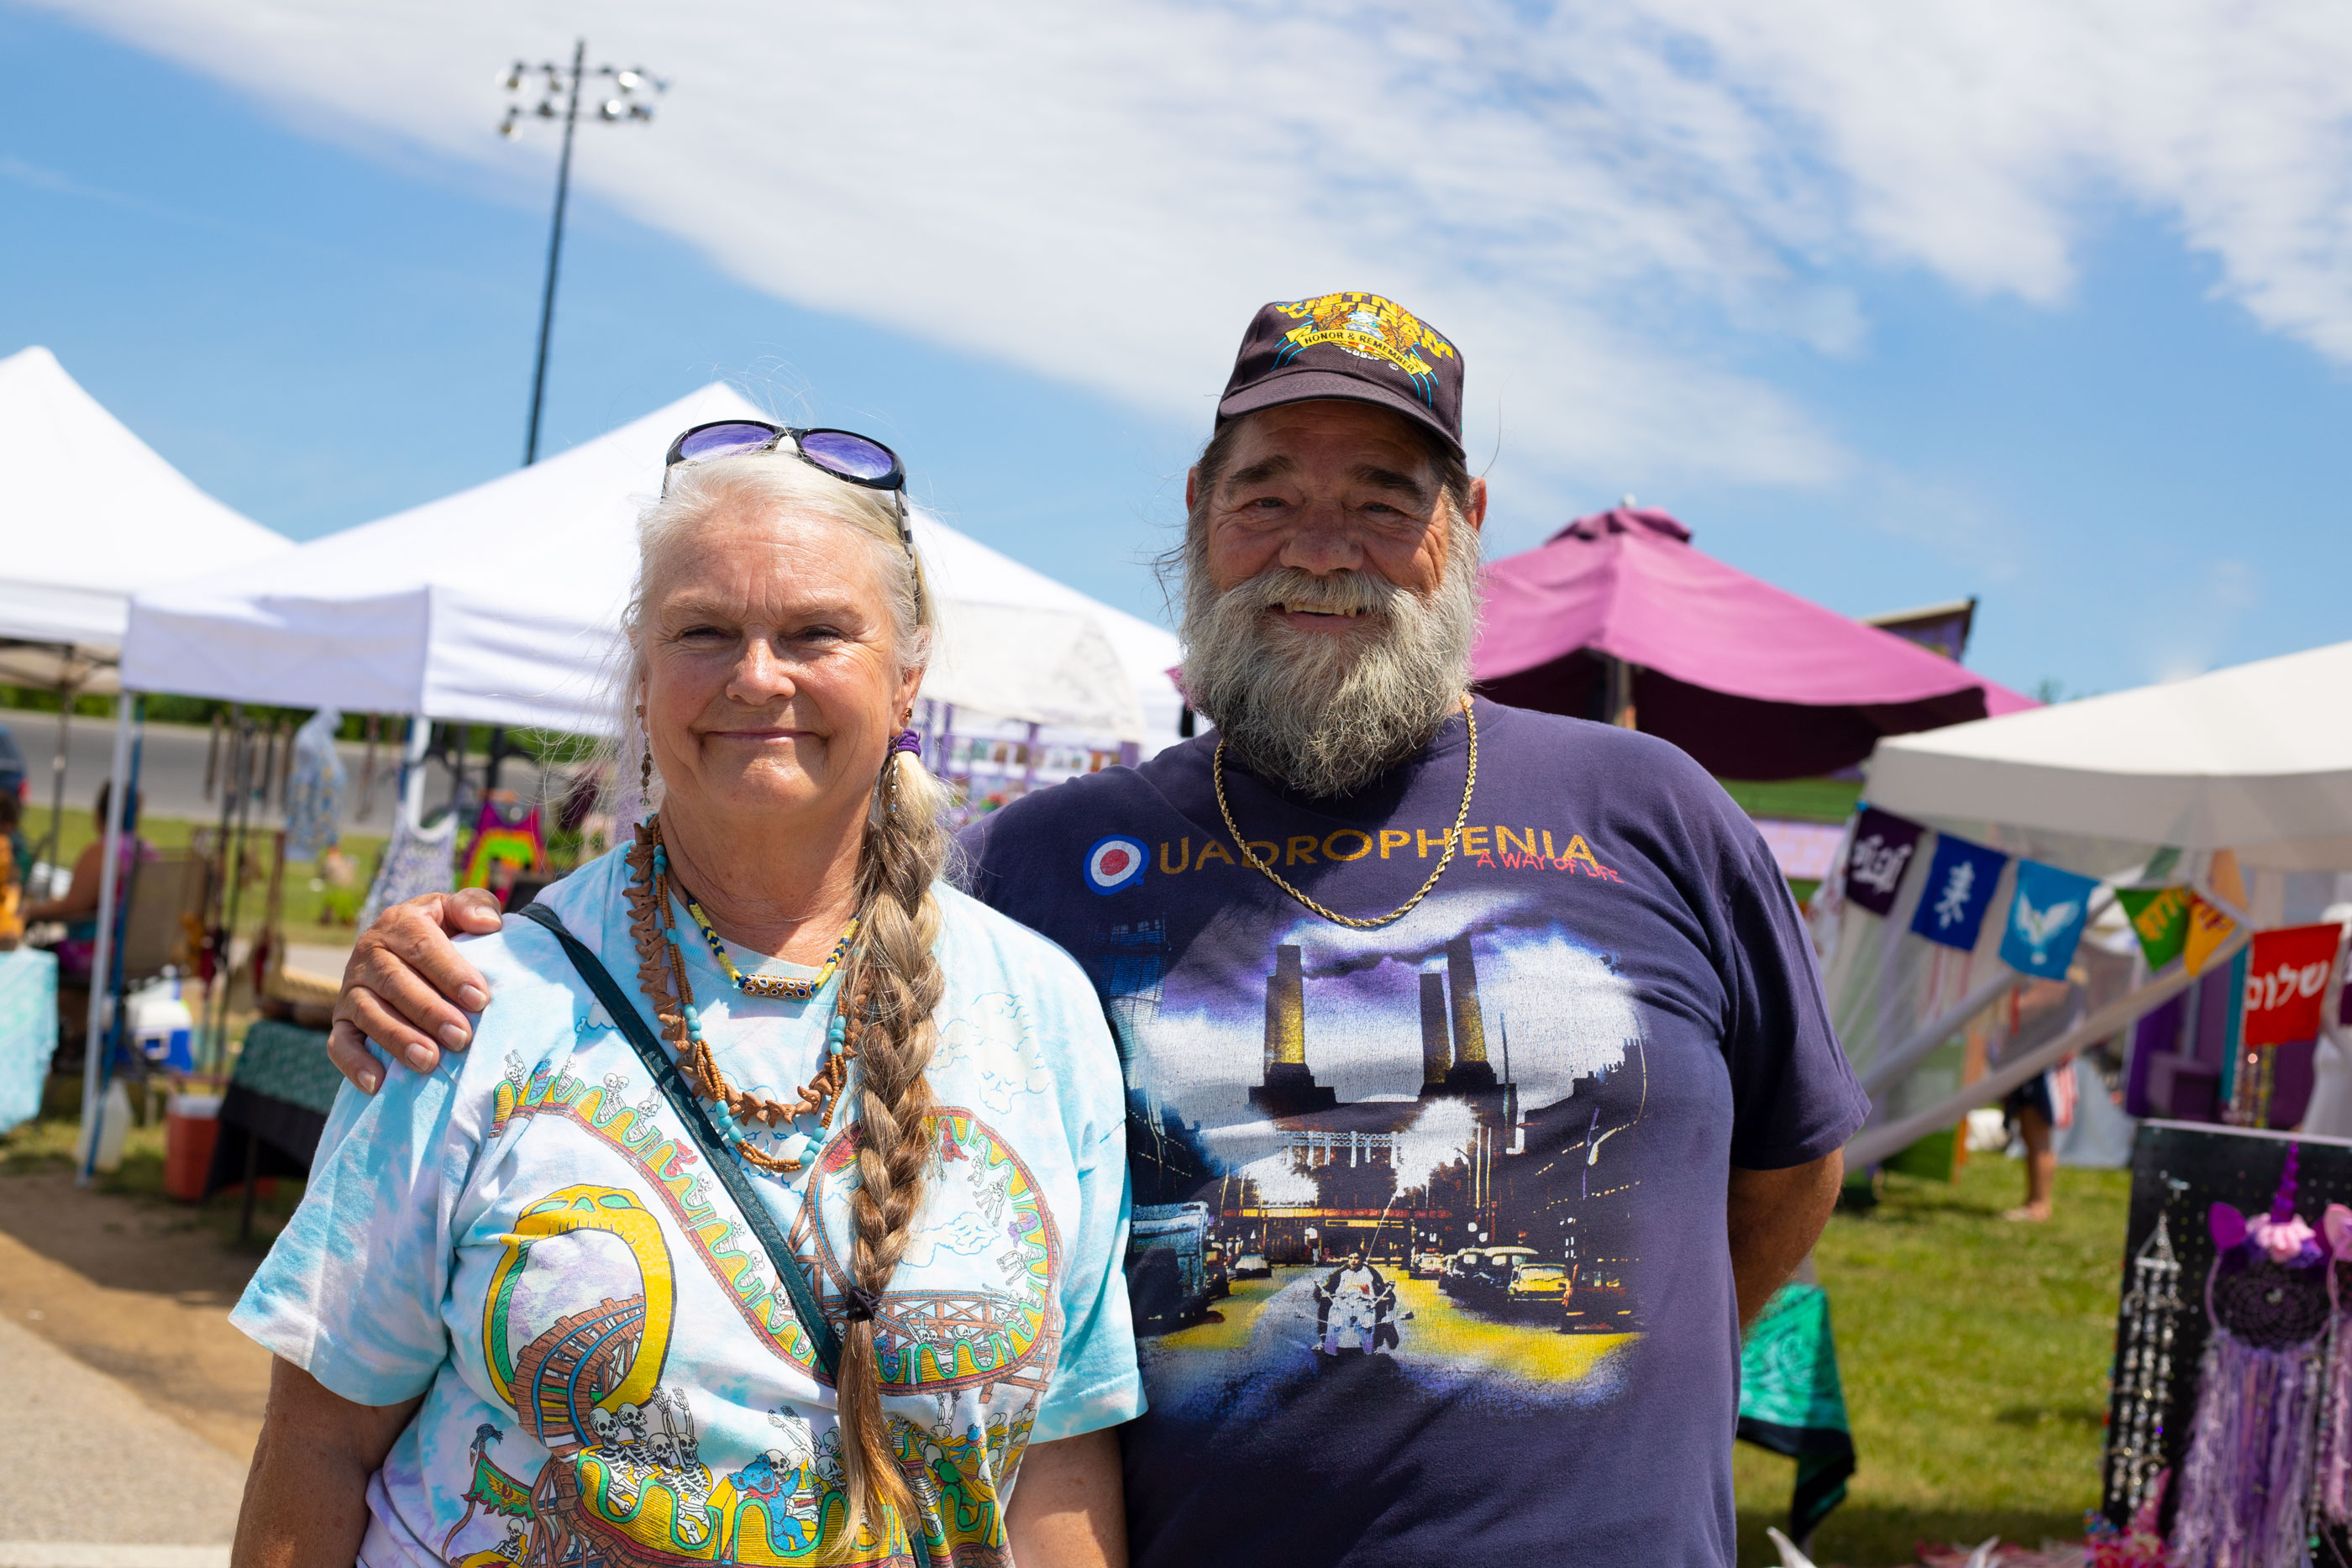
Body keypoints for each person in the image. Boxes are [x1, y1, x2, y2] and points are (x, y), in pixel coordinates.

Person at [331, 291, 1868, 1568]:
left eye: (1381, 501)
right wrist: (466, 962)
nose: (1321, 547)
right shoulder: (1043, 866)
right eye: (1268, 496)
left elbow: (1792, 1160)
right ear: (1201, 514)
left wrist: (1640, 1372)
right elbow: (763, 952)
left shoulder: (1653, 810)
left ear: (1461, 527)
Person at [230, 427, 1142, 1567]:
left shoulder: (1042, 1010)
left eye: (816, 632)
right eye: (704, 632)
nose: (757, 676)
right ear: (643, 672)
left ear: (908, 674)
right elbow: (319, 1438)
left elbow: (1058, 1461)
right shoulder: (468, 1001)